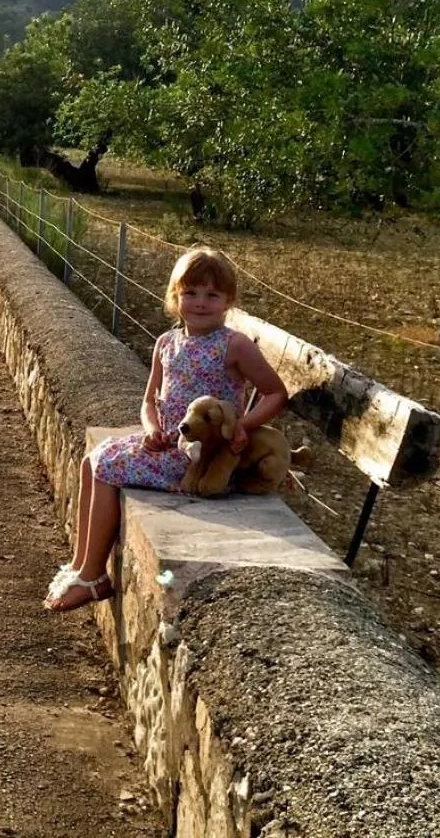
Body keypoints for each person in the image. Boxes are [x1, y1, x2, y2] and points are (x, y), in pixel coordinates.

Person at [44, 245, 288, 612]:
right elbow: (148, 401)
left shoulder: (233, 346)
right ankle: (80, 565)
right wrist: (151, 429)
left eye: (212, 295)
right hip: (169, 445)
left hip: (201, 459)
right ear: (176, 296)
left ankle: (94, 576)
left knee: (106, 467)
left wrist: (243, 425)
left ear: (228, 301)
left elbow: (275, 393)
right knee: (90, 460)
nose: (200, 303)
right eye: (190, 293)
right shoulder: (167, 343)